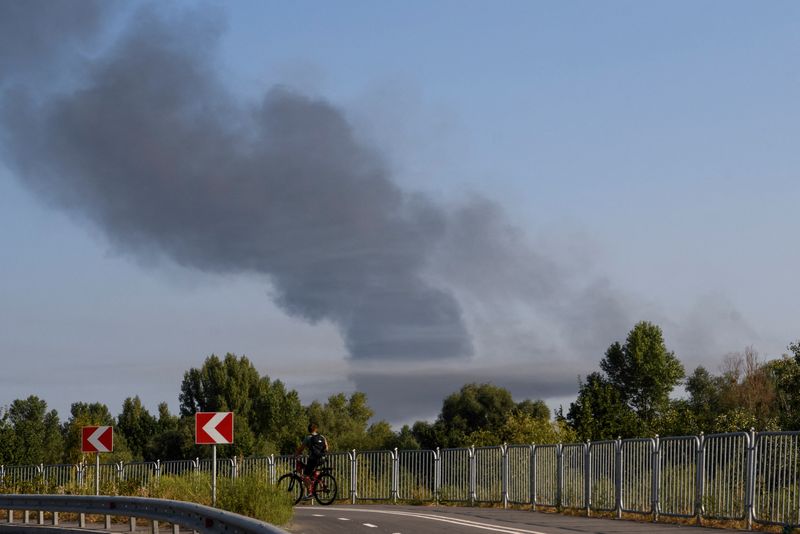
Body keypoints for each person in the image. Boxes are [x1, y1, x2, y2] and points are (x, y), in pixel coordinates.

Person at [295, 423, 329, 497]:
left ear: (309, 430)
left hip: (313, 459)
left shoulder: (308, 438)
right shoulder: (322, 437)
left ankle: (310, 491)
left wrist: (296, 455)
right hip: (322, 459)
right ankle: (322, 485)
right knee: (314, 473)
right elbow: (326, 448)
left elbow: (301, 449)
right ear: (316, 429)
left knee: (304, 476)